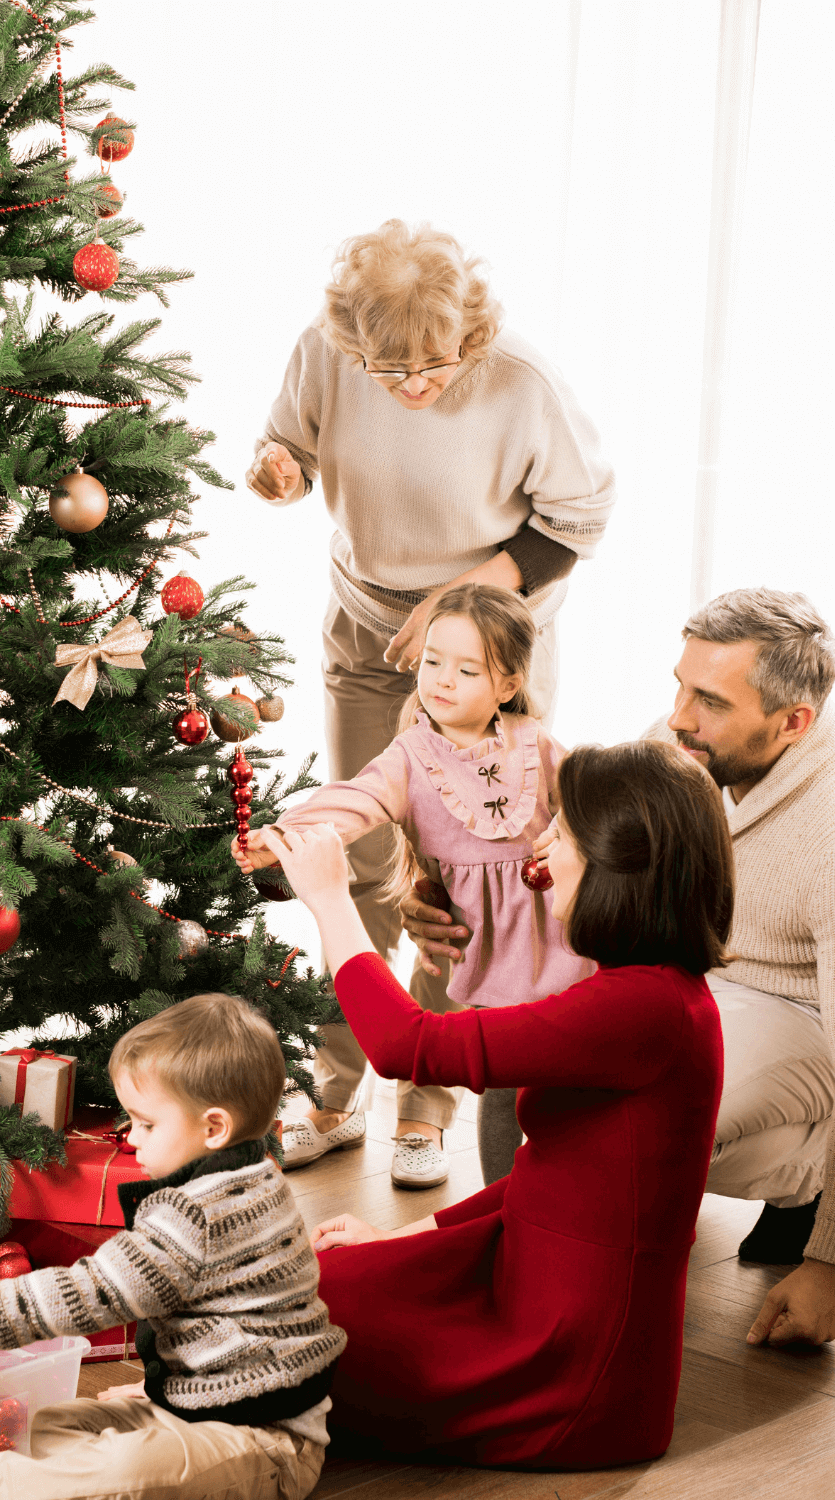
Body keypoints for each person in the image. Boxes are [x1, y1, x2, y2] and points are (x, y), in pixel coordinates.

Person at [246, 219, 615, 1188]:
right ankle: (336, 1082)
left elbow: (578, 518)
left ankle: (428, 1100)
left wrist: (470, 599)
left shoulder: (520, 381)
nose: (414, 386)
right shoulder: (327, 353)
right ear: (351, 342)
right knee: (359, 862)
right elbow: (289, 443)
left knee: (468, 883)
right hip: (371, 637)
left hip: (486, 648)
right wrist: (280, 470)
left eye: (434, 367)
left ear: (472, 335)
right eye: (388, 370)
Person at [271, 741, 730, 1467]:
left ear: (619, 866)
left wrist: (330, 898)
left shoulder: (645, 1009)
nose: (544, 843)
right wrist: (404, 1238)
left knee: (282, 1329)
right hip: (526, 1284)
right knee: (301, 1288)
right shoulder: (645, 989)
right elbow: (554, 1175)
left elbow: (405, 1044)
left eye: (566, 833)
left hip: (565, 1363)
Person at [407, 586, 835, 1347]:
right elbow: (544, 852)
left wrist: (832, 1263)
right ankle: (511, 1246)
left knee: (620, 1114)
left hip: (800, 1012)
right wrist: (434, 890)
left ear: (794, 723)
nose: (676, 716)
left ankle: (572, 1276)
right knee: (525, 1035)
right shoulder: (680, 753)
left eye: (709, 700)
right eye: (679, 684)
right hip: (673, 977)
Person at [0, 992, 344, 1500]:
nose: (131, 1138)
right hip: (195, 1405)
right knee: (46, 1424)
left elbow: (90, 1293)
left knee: (129, 1467)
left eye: (146, 1124)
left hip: (266, 1442)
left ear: (213, 1128)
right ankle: (35, 1477)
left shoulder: (201, 1214)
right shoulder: (249, 1177)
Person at [233, 583, 592, 1184]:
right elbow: (356, 799)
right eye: (432, 662)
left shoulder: (534, 742)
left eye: (467, 670)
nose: (442, 680)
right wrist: (284, 834)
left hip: (558, 939)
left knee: (564, 1076)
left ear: (506, 686)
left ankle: (573, 1187)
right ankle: (500, 1202)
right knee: (499, 1083)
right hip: (479, 951)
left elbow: (590, 799)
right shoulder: (410, 756)